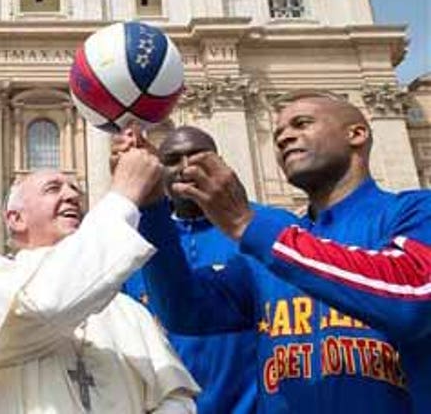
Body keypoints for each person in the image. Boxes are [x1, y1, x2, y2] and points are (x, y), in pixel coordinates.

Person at [138, 91, 431, 412]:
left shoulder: (414, 211)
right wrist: (152, 209)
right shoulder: (269, 253)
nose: (285, 137)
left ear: (357, 134)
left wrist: (247, 224)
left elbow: (413, 296)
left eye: (302, 123)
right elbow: (182, 310)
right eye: (277, 135)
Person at [0, 127, 199, 413]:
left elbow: (175, 397)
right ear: (15, 219)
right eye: (54, 189)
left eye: (76, 190)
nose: (72, 196)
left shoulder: (129, 311)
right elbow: (46, 304)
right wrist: (124, 196)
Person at [123, 126, 257, 414]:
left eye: (198, 157)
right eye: (171, 160)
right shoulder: (134, 242)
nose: (185, 168)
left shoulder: (259, 230)